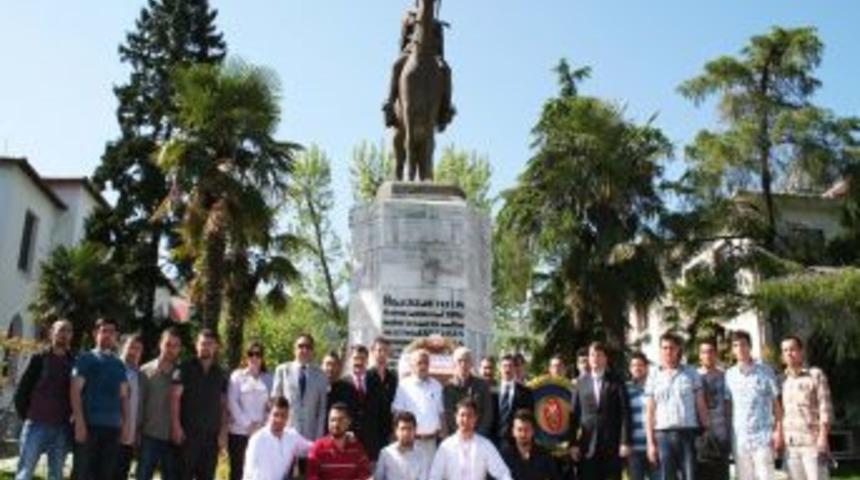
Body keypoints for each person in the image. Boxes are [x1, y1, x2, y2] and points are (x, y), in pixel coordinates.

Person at [14, 319, 74, 480]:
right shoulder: (39, 359)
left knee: (56, 475)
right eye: (60, 330)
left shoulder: (73, 363)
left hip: (61, 428)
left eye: (68, 331)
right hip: (35, 425)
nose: (64, 334)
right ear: (51, 333)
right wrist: (27, 416)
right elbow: (22, 391)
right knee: (25, 472)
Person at [644, 332, 709, 480]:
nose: (668, 351)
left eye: (671, 348)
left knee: (690, 476)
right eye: (664, 348)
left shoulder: (691, 373)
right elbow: (649, 412)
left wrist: (706, 430)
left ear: (678, 349)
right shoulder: (653, 375)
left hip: (688, 434)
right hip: (663, 435)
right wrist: (650, 444)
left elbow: (700, 404)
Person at [71, 318, 129, 480]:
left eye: (112, 332)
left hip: (113, 429)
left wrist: (125, 425)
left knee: (106, 474)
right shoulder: (85, 358)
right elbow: (75, 391)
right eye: (104, 331)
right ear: (95, 334)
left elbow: (124, 397)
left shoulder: (119, 365)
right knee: (83, 474)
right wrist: (80, 423)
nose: (108, 335)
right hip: (90, 426)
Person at [383, 2, 454, 130]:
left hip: (433, 55)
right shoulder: (408, 17)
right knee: (396, 65)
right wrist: (404, 53)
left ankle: (446, 109)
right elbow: (403, 40)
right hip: (410, 51)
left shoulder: (437, 24)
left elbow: (441, 49)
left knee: (447, 70)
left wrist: (440, 60)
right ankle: (390, 104)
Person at [171, 329, 228, 480]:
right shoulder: (184, 368)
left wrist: (223, 432)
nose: (206, 347)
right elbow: (174, 398)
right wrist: (176, 427)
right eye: (202, 343)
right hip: (187, 436)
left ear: (216, 347)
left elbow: (223, 404)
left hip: (211, 438)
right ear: (196, 345)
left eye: (210, 344)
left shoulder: (220, 373)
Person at [725, 330, 782, 480]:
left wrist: (778, 431)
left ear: (750, 347)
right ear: (732, 349)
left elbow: (776, 404)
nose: (740, 349)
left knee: (766, 476)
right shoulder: (729, 375)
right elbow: (729, 407)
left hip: (763, 435)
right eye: (736, 345)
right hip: (740, 437)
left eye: (743, 344)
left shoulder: (765, 371)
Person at [570, 342, 631, 480]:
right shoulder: (580, 383)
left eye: (599, 355)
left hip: (612, 446)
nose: (595, 358)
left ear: (605, 358)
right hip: (587, 447)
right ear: (589, 359)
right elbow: (574, 414)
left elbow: (625, 413)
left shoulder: (617, 381)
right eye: (592, 355)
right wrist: (573, 444)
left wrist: (625, 442)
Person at [780, 335, 833, 480]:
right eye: (785, 351)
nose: (789, 353)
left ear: (801, 351)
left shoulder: (815, 375)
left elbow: (825, 407)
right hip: (792, 445)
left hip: (812, 442)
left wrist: (823, 437)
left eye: (792, 349)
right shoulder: (784, 381)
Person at [392, 348, 446, 475]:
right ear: (412, 365)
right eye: (419, 363)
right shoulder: (404, 386)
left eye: (426, 362)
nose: (423, 366)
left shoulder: (436, 385)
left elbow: (441, 413)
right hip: (410, 442)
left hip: (431, 443)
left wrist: (444, 436)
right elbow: (397, 414)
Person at [429, 398, 513, 480]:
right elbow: (434, 476)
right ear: (456, 417)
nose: (465, 420)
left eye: (469, 415)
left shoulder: (485, 445)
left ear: (475, 418)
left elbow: (502, 473)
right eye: (462, 415)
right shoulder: (445, 446)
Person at [137, 327, 182, 480]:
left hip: (172, 439)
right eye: (168, 344)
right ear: (160, 344)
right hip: (149, 436)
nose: (171, 349)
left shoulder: (183, 373)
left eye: (175, 346)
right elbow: (139, 405)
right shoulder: (145, 371)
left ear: (179, 349)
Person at [227, 341, 273, 480]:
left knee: (258, 473)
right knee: (238, 472)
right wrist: (248, 425)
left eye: (258, 354)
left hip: (262, 434)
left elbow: (272, 406)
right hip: (239, 433)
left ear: (262, 357)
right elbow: (232, 402)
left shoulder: (269, 378)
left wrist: (263, 425)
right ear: (245, 356)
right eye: (250, 354)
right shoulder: (237, 376)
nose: (254, 357)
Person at [271, 334, 328, 441]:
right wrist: (276, 432)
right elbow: (275, 404)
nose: (304, 350)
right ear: (294, 349)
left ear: (313, 351)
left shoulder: (321, 375)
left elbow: (322, 410)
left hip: (310, 436)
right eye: (300, 346)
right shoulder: (282, 370)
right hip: (285, 433)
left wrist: (319, 438)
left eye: (308, 347)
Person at [242, 396, 312, 480]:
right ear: (268, 415)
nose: (279, 419)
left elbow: (312, 447)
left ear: (287, 417)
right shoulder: (257, 440)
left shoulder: (291, 436)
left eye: (283, 416)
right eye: (275, 415)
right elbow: (249, 474)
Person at [306, 402, 372, 480]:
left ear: (349, 422)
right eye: (332, 420)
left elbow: (365, 475)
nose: (335, 424)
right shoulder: (318, 447)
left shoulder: (357, 448)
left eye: (340, 419)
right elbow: (312, 476)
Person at [697, 339, 731, 480]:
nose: (708, 355)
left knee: (721, 475)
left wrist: (729, 429)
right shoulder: (694, 377)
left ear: (716, 354)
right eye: (704, 352)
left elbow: (729, 404)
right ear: (700, 355)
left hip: (721, 435)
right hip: (701, 436)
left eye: (711, 351)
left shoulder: (726, 376)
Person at [443, 346, 494, 437]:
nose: (463, 364)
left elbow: (487, 414)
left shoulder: (482, 385)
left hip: (479, 437)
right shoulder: (448, 388)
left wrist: (477, 435)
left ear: (471, 364)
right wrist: (460, 435)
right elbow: (449, 415)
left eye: (466, 360)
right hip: (457, 438)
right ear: (454, 364)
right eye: (460, 361)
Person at [501, 409, 562, 480]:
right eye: (519, 429)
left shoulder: (544, 456)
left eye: (526, 429)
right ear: (513, 432)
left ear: (533, 431)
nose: (523, 434)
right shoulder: (503, 457)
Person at [115, 334, 144, 480]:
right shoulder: (113, 368)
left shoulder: (140, 375)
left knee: (121, 474)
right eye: (131, 347)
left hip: (129, 438)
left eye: (138, 349)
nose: (134, 352)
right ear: (122, 347)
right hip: (111, 434)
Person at [492, 354, 533, 447]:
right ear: (499, 369)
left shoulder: (526, 392)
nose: (507, 369)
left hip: (516, 443)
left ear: (515, 369)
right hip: (494, 442)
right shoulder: (491, 392)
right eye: (504, 366)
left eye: (510, 366)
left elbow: (529, 418)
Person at [367, 337, 398, 455]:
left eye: (385, 351)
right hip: (370, 432)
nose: (382, 354)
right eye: (379, 350)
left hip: (387, 432)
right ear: (373, 352)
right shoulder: (366, 376)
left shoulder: (393, 378)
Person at [374, 411, 427, 480]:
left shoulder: (422, 455)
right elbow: (378, 478)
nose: (406, 433)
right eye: (403, 428)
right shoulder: (385, 453)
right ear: (396, 430)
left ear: (415, 430)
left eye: (409, 429)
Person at [626, 352, 654, 480]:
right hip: (633, 448)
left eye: (640, 365)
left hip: (654, 446)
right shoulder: (626, 389)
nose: (637, 368)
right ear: (630, 369)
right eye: (634, 365)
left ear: (646, 367)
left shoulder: (655, 387)